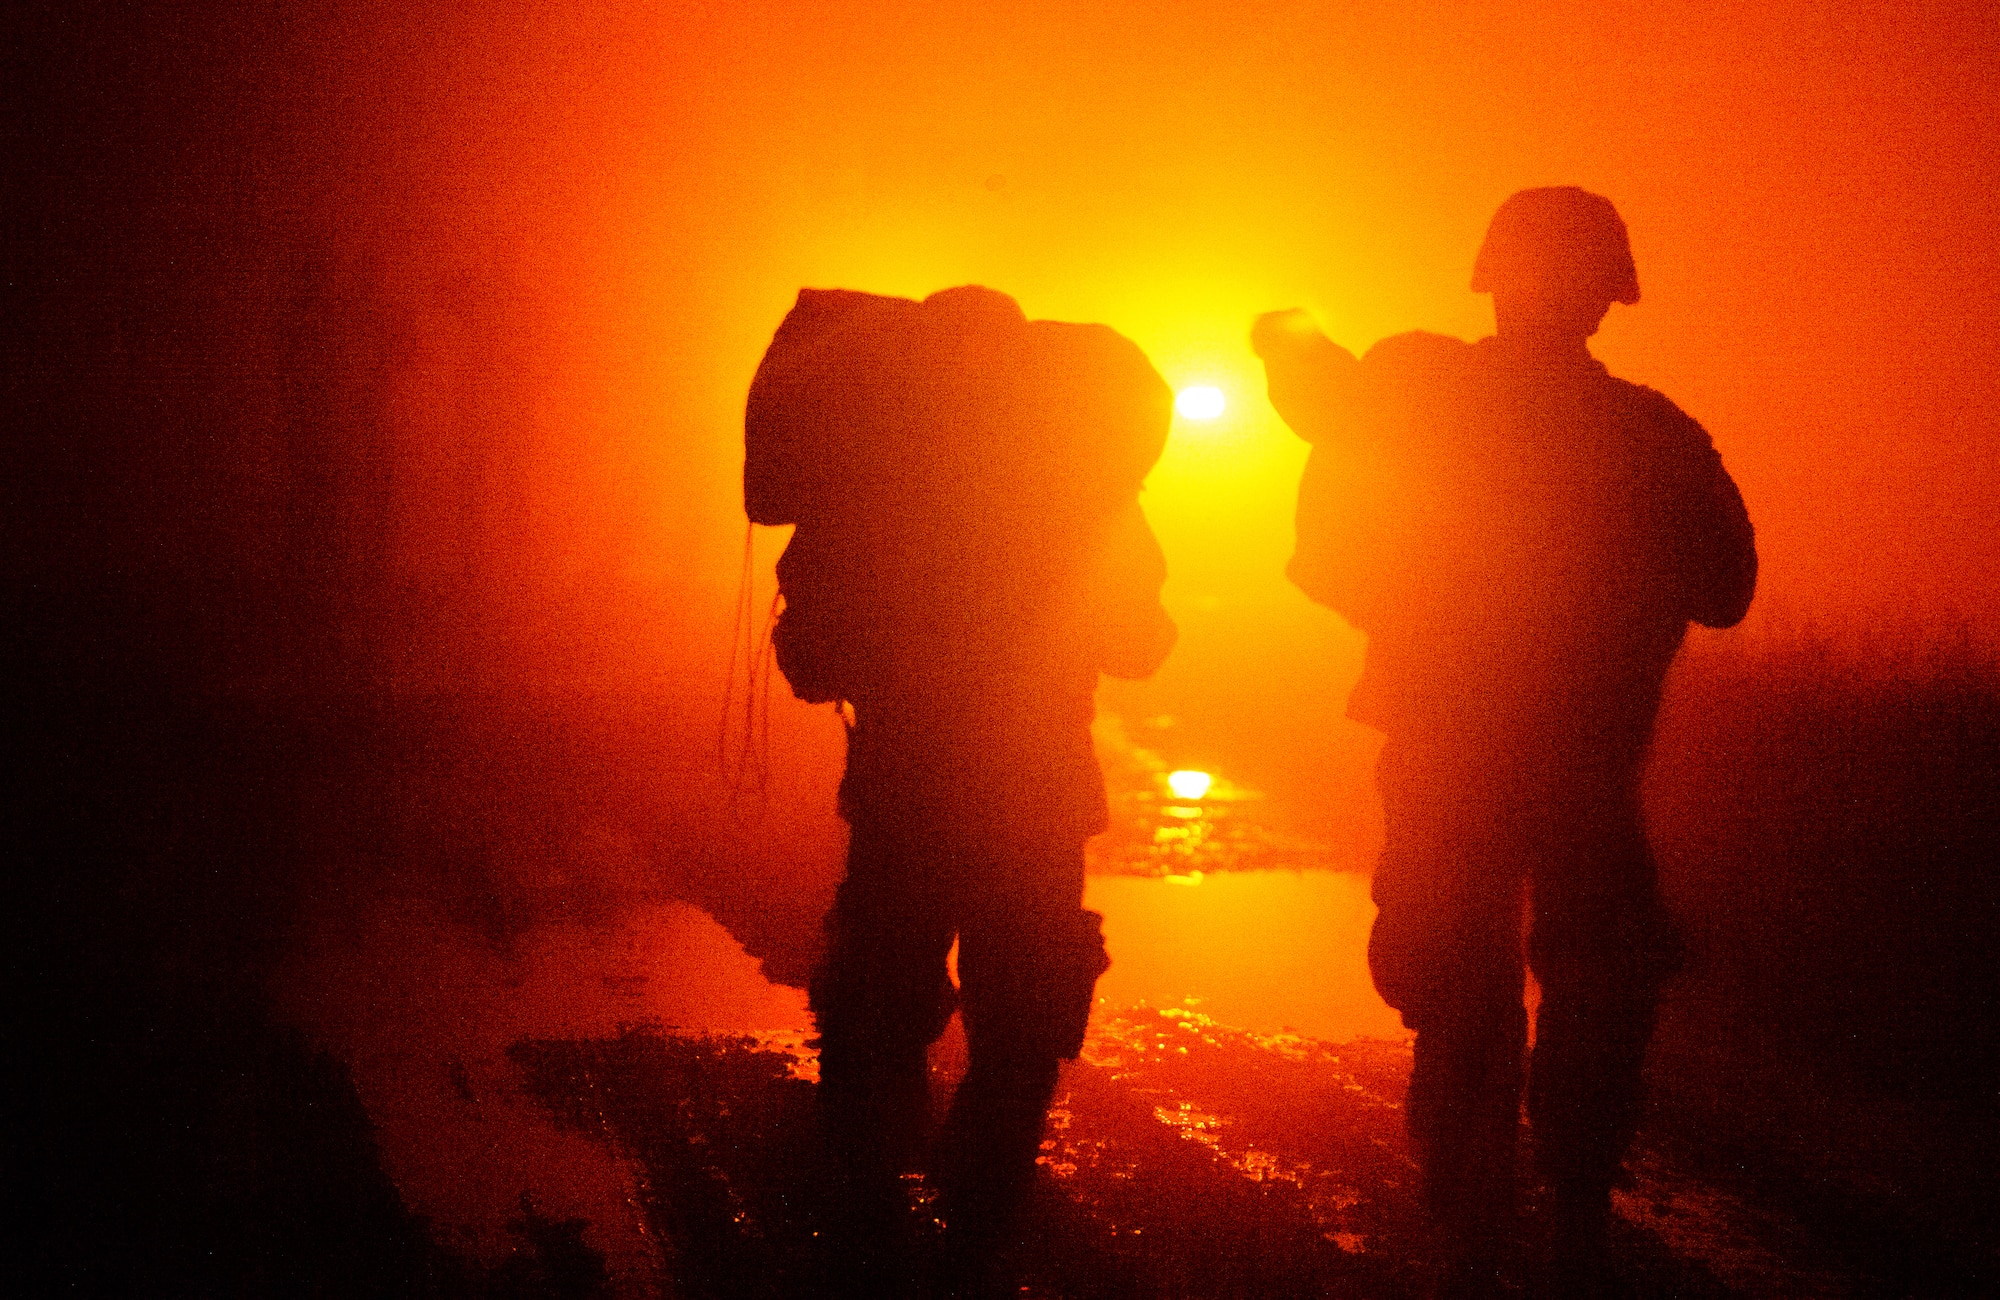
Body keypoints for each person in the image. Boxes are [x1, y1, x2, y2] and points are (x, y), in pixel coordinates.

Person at [1253, 188, 1756, 1296]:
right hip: (1583, 757)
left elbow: (1326, 539)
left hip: (1453, 744)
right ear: (1605, 299)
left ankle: (1476, 1196)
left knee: (1455, 962)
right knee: (1581, 972)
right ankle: (1562, 1197)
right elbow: (1726, 587)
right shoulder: (1651, 433)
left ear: (1489, 279)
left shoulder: (1420, 398)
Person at [744, 284, 1177, 1292]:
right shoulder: (1082, 488)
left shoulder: (869, 490)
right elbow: (1141, 643)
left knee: (872, 1013)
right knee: (1021, 1021)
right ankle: (975, 1230)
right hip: (1034, 791)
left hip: (905, 787)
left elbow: (809, 658)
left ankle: (866, 1219)